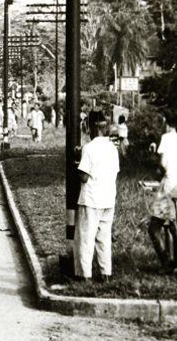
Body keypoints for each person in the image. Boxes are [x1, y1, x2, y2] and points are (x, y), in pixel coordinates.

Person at [74, 111, 120, 282]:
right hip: (108, 198)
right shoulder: (112, 149)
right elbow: (115, 172)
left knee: (85, 239)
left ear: (91, 126)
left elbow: (84, 177)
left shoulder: (89, 148)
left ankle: (84, 277)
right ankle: (106, 274)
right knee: (104, 240)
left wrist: (76, 163)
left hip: (91, 199)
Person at [148, 111, 177, 274]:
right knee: (175, 225)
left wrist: (154, 158)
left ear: (166, 122)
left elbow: (163, 163)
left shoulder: (165, 138)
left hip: (168, 184)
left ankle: (166, 263)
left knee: (154, 228)